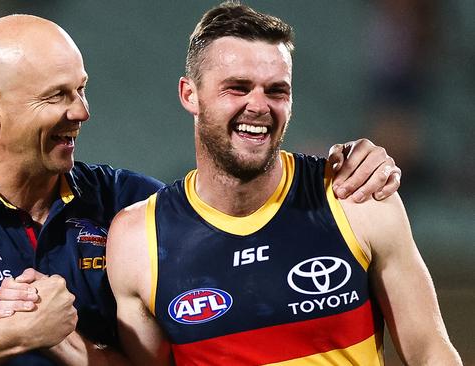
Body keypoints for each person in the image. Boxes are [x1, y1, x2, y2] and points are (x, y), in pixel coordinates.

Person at [0, 13, 402, 366]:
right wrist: (9, 336)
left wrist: (340, 168)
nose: (81, 112)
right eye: (57, 96)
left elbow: (240, 221)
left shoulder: (128, 207)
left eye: (82, 89)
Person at [104, 2, 463, 366]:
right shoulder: (138, 242)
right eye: (238, 88)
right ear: (189, 95)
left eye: (276, 90)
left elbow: (430, 351)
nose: (259, 105)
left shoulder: (355, 197)